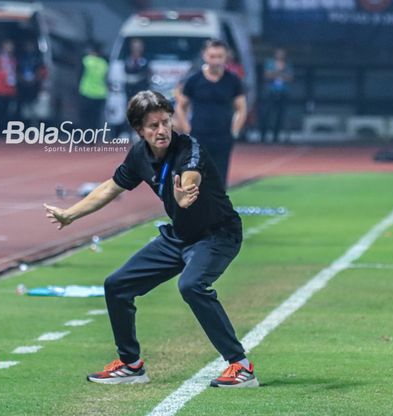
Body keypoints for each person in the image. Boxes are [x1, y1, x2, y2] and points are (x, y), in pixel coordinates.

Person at [44, 90, 258, 388]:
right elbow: (110, 188)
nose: (162, 130)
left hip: (218, 235)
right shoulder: (138, 155)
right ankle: (131, 365)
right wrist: (71, 214)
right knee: (116, 286)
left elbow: (191, 175)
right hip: (179, 237)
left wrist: (185, 193)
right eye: (153, 126)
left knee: (192, 285)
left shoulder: (188, 147)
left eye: (165, 122)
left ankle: (240, 366)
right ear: (139, 130)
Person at [174, 39, 247, 189]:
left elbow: (241, 108)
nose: (216, 61)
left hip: (223, 137)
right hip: (198, 137)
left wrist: (235, 130)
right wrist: (186, 128)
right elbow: (181, 106)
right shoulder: (194, 80)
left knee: (219, 180)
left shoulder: (233, 81)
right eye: (212, 56)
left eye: (220, 56)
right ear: (204, 56)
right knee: (195, 178)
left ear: (226, 57)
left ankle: (217, 211)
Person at [259, 47, 293, 143]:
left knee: (280, 115)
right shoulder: (269, 63)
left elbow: (290, 77)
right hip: (271, 92)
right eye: (279, 53)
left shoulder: (287, 64)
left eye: (282, 53)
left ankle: (275, 136)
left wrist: (276, 74)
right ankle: (263, 136)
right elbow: (267, 75)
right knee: (267, 114)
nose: (280, 55)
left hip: (283, 92)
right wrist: (279, 73)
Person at [78, 43, 108, 130]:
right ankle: (93, 138)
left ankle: (83, 137)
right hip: (100, 93)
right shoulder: (104, 63)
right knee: (95, 118)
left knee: (84, 117)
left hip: (86, 91)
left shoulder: (86, 60)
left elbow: (79, 74)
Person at [0, 40, 18, 134]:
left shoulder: (13, 59)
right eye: (8, 46)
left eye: (11, 47)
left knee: (7, 112)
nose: (10, 49)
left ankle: (4, 131)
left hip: (9, 90)